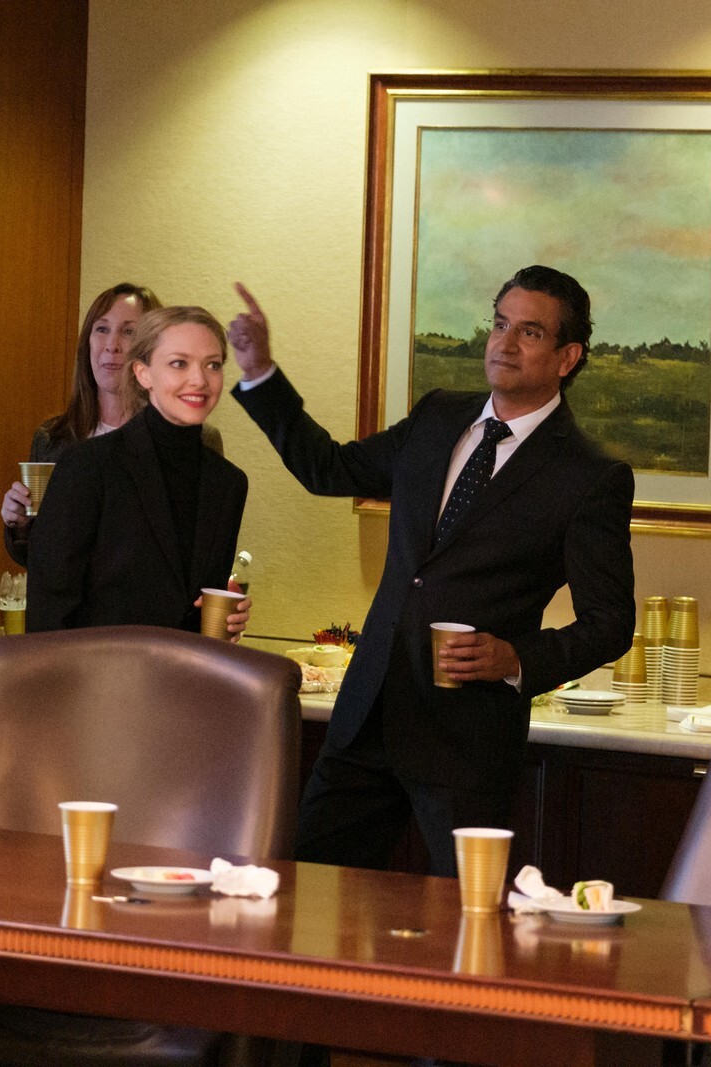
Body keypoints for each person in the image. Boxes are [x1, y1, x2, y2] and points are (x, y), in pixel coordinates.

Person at [228, 269, 636, 876]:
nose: (505, 343)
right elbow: (328, 469)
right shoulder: (438, 417)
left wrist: (516, 658)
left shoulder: (588, 476)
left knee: (472, 915)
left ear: (567, 357)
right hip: (367, 717)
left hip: (465, 741)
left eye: (529, 332)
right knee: (301, 893)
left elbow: (610, 622)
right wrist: (261, 373)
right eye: (500, 324)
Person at [27, 306, 248, 635]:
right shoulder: (88, 465)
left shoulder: (228, 483)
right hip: (96, 666)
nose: (200, 380)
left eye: (212, 365)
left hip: (185, 666)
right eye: (179, 363)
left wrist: (225, 620)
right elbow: (49, 607)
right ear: (143, 374)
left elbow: (196, 604)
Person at [1, 283, 222, 566]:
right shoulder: (53, 438)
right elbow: (40, 558)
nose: (112, 345)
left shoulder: (196, 439)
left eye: (129, 332)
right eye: (102, 329)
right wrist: (20, 525)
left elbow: (205, 550)